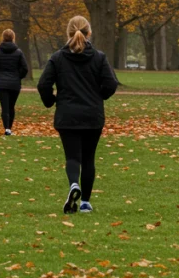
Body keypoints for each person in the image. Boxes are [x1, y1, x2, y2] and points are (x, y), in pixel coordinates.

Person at [37, 16, 118, 214]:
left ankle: (74, 184)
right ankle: (86, 202)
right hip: (92, 114)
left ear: (68, 34)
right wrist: (100, 97)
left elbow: (43, 84)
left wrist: (51, 101)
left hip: (67, 114)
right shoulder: (99, 58)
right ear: (89, 33)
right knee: (89, 158)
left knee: (72, 157)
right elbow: (111, 84)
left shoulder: (58, 58)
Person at [0, 28, 29, 136]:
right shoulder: (19, 53)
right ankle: (9, 127)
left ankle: (6, 128)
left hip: (1, 84)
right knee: (11, 106)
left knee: (4, 107)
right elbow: (25, 68)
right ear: (13, 38)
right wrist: (18, 76)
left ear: (3, 38)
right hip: (14, 83)